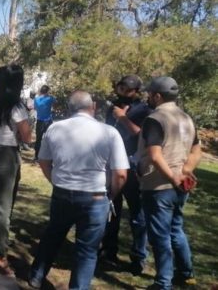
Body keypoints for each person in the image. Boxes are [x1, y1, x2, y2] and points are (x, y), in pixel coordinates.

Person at [29, 91, 129, 290]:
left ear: (69, 108)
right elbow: (121, 174)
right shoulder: (109, 132)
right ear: (93, 107)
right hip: (95, 195)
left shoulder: (55, 128)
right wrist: (111, 195)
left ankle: (36, 276)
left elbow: (43, 161)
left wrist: (55, 181)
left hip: (63, 192)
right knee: (87, 250)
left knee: (53, 236)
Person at [136, 76, 202, 289]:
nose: (147, 97)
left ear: (157, 96)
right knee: (176, 228)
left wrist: (173, 175)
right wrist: (186, 170)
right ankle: (186, 273)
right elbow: (196, 150)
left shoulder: (155, 119)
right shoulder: (186, 118)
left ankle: (163, 282)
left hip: (159, 186)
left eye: (150, 94)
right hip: (180, 186)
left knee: (160, 235)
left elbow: (155, 155)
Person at [0, 64, 31, 276]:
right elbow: (28, 137)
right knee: (3, 209)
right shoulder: (17, 107)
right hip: (5, 157)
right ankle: (0, 256)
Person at [99, 75, 151, 274]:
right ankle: (108, 249)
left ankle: (138, 257)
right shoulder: (113, 107)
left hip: (132, 166)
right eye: (120, 87)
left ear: (136, 91)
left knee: (138, 214)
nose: (122, 91)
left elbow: (142, 135)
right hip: (112, 164)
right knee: (112, 208)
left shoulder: (144, 110)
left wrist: (123, 117)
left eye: (127, 89)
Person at [33, 85, 55, 160]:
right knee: (50, 138)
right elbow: (55, 102)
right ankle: (50, 155)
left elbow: (35, 108)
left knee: (38, 139)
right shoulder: (50, 98)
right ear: (47, 91)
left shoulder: (36, 99)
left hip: (39, 120)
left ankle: (36, 156)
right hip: (48, 120)